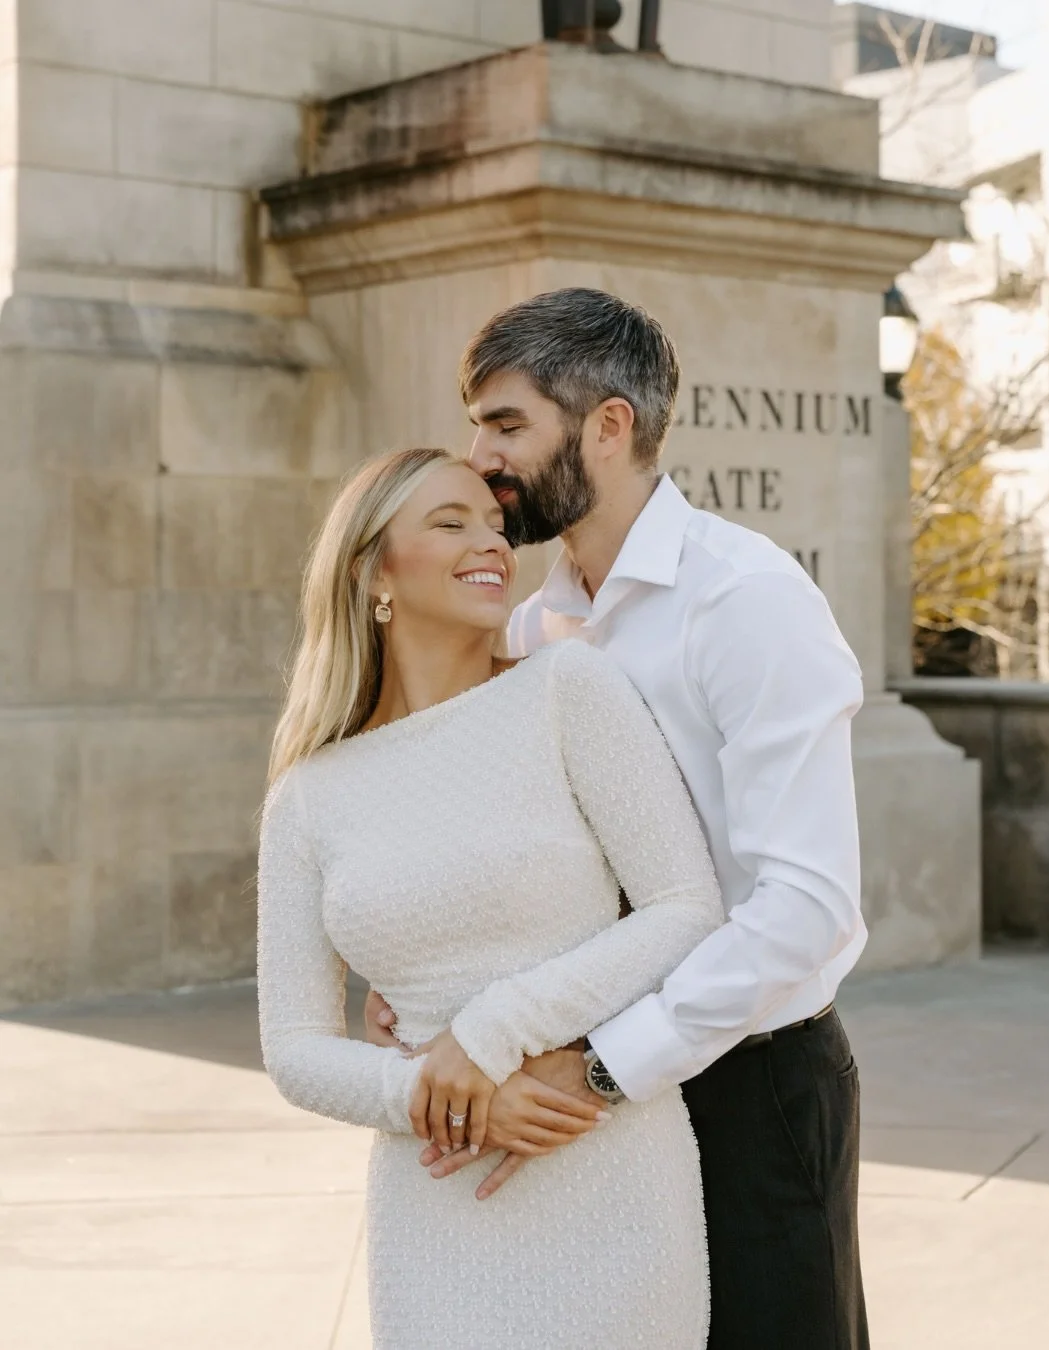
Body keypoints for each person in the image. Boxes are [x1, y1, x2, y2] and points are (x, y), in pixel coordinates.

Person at [369, 289, 871, 1349]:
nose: (479, 455)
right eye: (476, 423)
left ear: (609, 425)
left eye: (507, 424)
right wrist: (423, 977)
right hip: (589, 1089)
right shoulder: (529, 626)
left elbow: (804, 910)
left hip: (751, 1083)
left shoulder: (749, 602)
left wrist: (602, 1063)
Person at [257, 446, 727, 1349]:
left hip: (604, 1163)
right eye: (450, 523)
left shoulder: (566, 691)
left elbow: (685, 907)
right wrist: (438, 1098)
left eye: (497, 526)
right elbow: (294, 1048)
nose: (493, 546)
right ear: (372, 571)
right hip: (437, 1192)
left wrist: (488, 1033)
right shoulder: (309, 795)